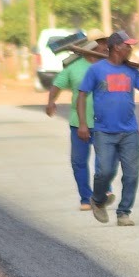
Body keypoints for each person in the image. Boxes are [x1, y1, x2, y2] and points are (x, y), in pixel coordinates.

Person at [77, 30, 139, 227]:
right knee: (105, 172)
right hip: (103, 131)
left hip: (129, 132)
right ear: (117, 47)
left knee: (132, 174)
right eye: (128, 45)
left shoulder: (131, 71)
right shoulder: (97, 70)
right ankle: (98, 200)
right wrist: (83, 124)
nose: (130, 48)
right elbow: (82, 95)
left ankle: (124, 212)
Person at [46, 29, 115, 211]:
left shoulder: (109, 66)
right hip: (79, 123)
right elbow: (57, 84)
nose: (105, 46)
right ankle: (86, 199)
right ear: (90, 45)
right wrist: (51, 101)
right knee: (79, 162)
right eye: (101, 42)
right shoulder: (74, 67)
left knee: (104, 160)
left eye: (105, 42)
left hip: (103, 123)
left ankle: (105, 191)